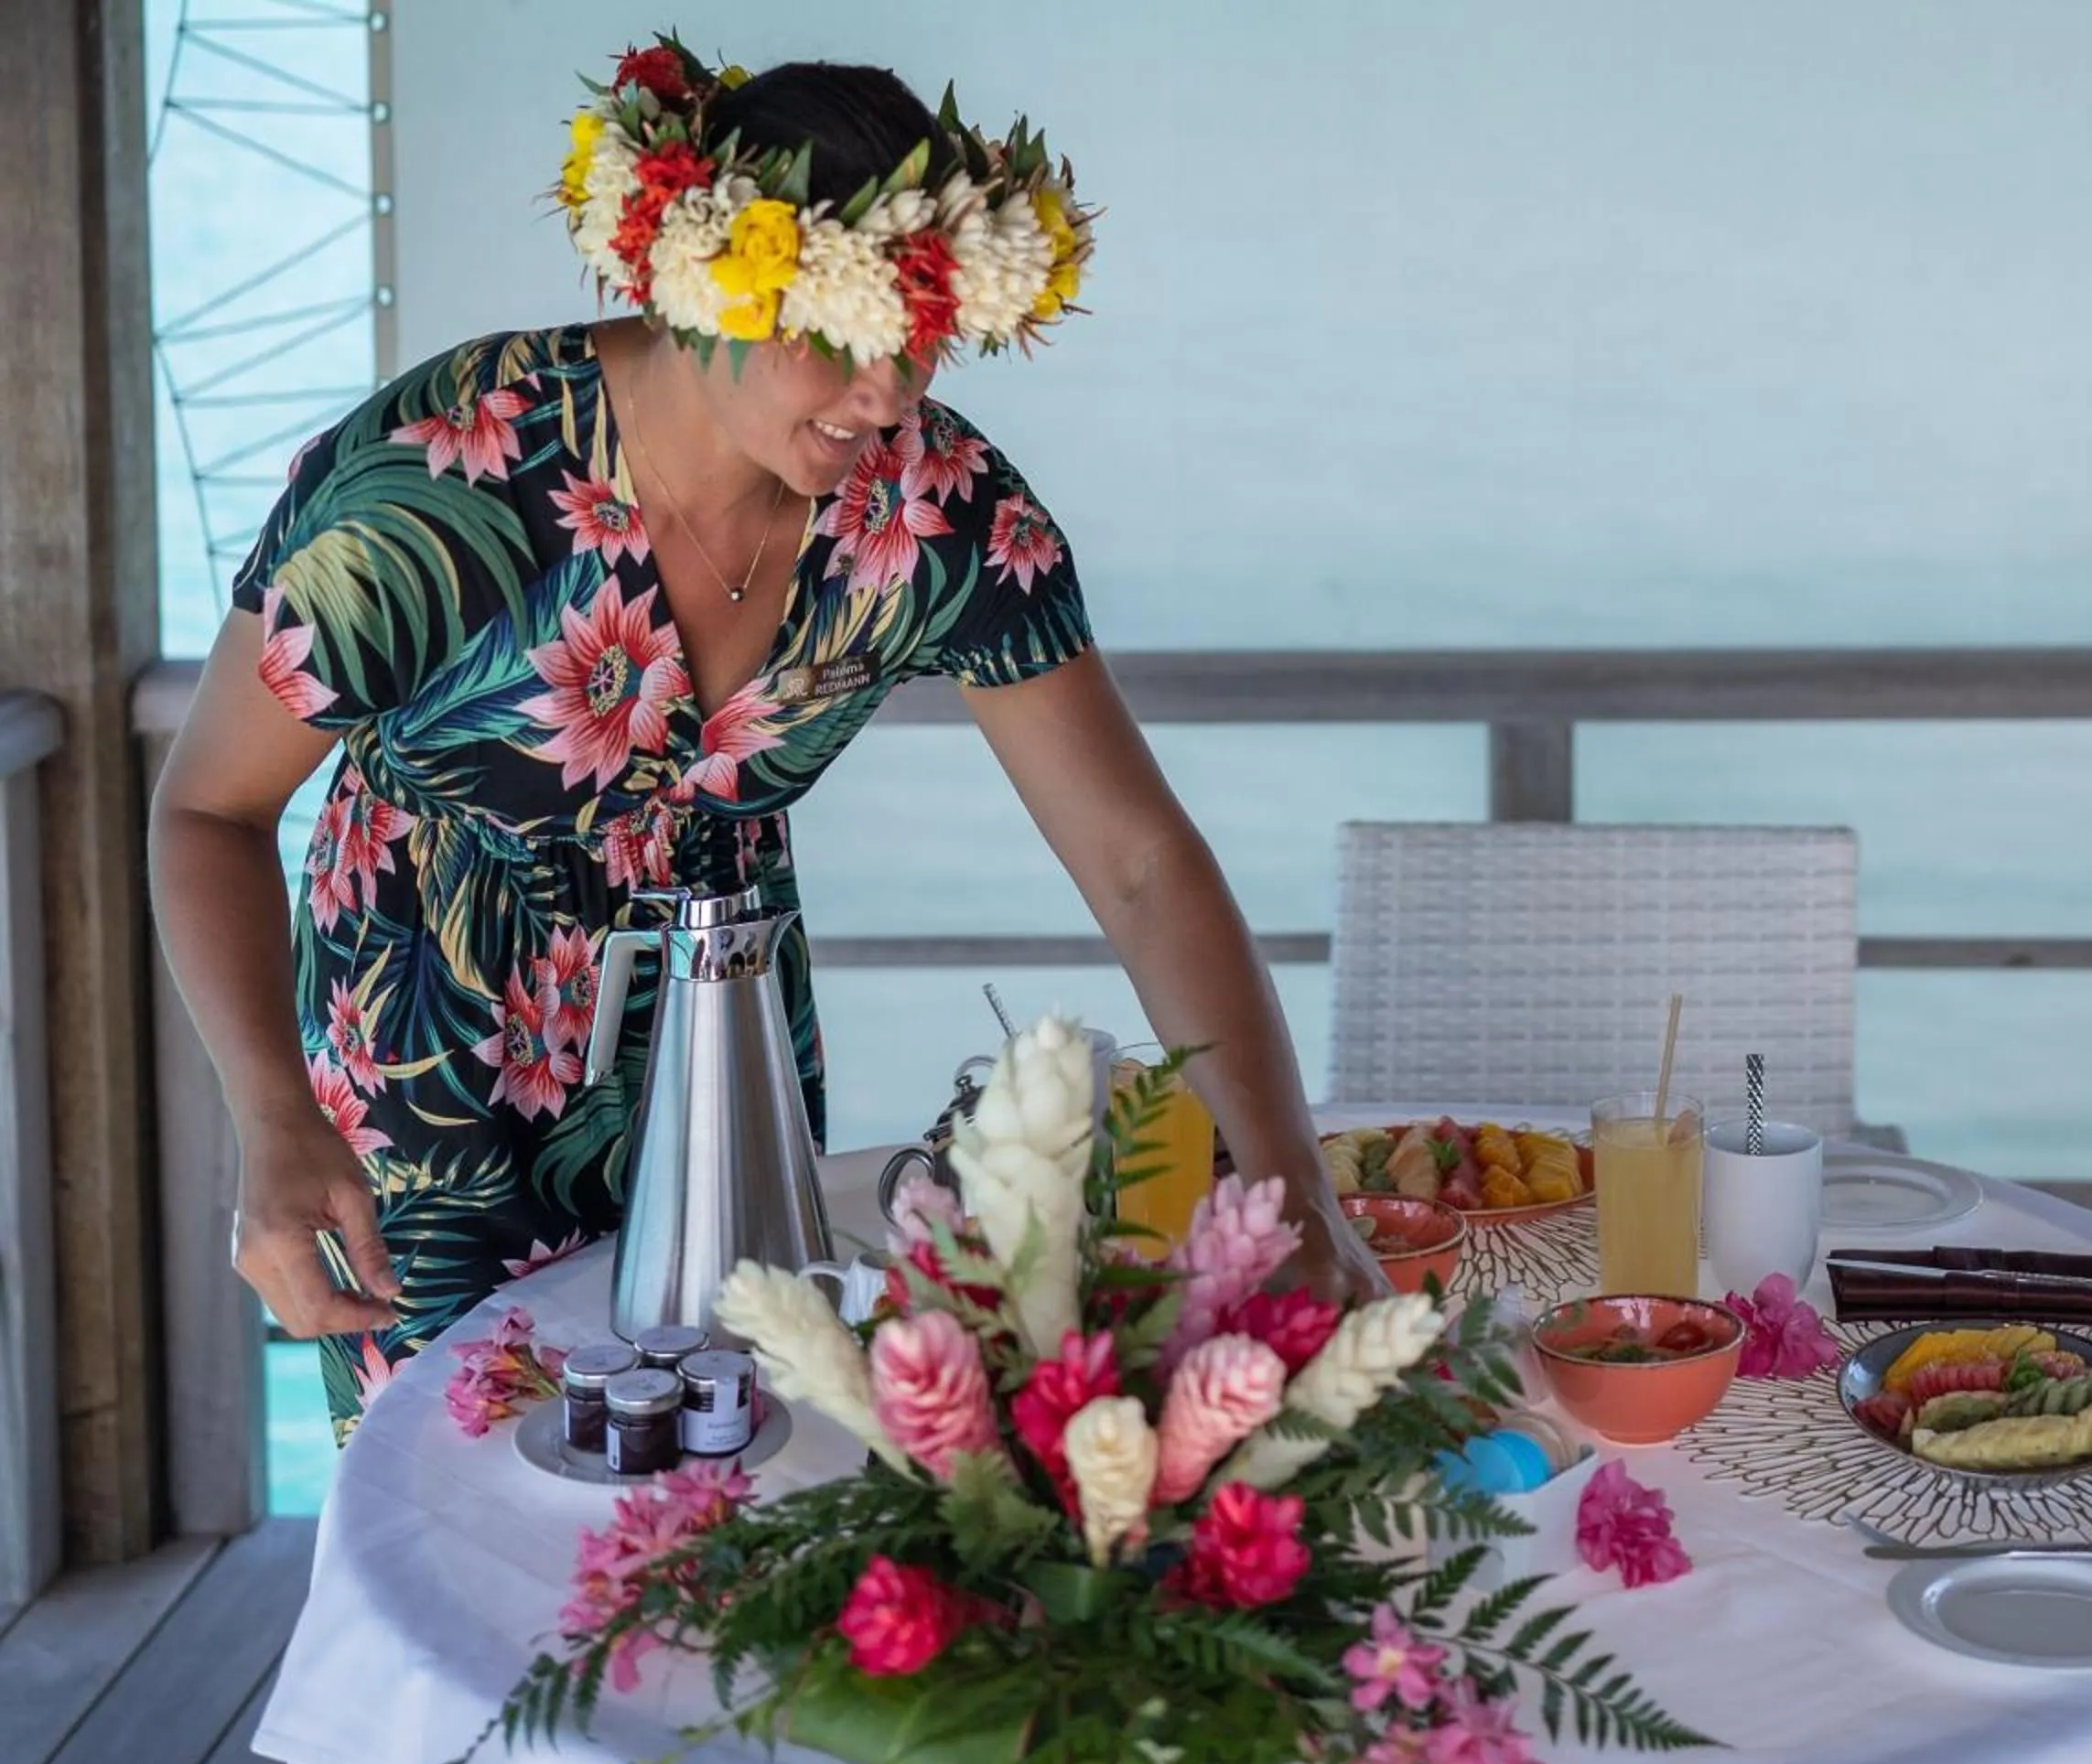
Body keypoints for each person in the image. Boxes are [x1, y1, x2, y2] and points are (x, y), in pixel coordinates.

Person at [146, 43, 1383, 1439]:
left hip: (726, 1060)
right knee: (462, 1495)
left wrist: (1290, 1184)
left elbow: (1140, 861)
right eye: (838, 334)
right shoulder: (435, 479)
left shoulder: (932, 508)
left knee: (744, 1472)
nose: (887, 393)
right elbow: (207, 811)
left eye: (921, 334)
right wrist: (271, 1112)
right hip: (431, 1087)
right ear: (696, 286)